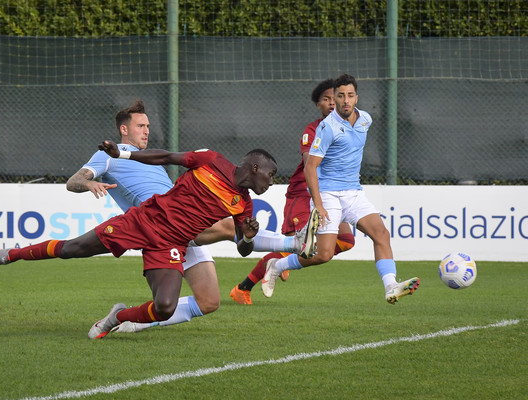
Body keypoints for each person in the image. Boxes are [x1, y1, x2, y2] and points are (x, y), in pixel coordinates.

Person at [0, 139, 278, 338]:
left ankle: (117, 317)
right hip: (143, 221)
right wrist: (122, 154)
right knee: (73, 249)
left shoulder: (244, 205)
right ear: (255, 168)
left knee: (165, 307)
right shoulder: (210, 160)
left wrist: (248, 237)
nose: (272, 181)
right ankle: (9, 254)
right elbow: (166, 156)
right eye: (271, 174)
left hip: (171, 245)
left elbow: (243, 249)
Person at [62, 100, 307, 334]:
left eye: (148, 126)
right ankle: (294, 243)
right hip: (160, 223)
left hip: (185, 227)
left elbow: (167, 159)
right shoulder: (110, 155)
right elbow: (74, 181)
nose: (146, 131)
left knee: (209, 302)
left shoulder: (151, 158)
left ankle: (135, 323)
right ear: (124, 129)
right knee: (226, 227)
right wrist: (90, 183)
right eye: (140, 126)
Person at [261, 74, 420, 304]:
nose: (346, 100)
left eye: (350, 95)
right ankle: (277, 265)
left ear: (357, 98)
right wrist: (319, 204)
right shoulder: (327, 128)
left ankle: (390, 286)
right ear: (334, 98)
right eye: (341, 96)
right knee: (324, 254)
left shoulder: (365, 120)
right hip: (328, 194)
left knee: (381, 234)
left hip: (353, 193)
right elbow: (310, 167)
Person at [229, 78, 355, 305]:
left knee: (345, 240)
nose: (331, 103)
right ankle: (243, 288)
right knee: (297, 246)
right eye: (325, 99)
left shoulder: (349, 128)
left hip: (331, 194)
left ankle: (284, 263)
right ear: (318, 105)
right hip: (304, 194)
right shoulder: (313, 130)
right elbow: (310, 163)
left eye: (333, 98)